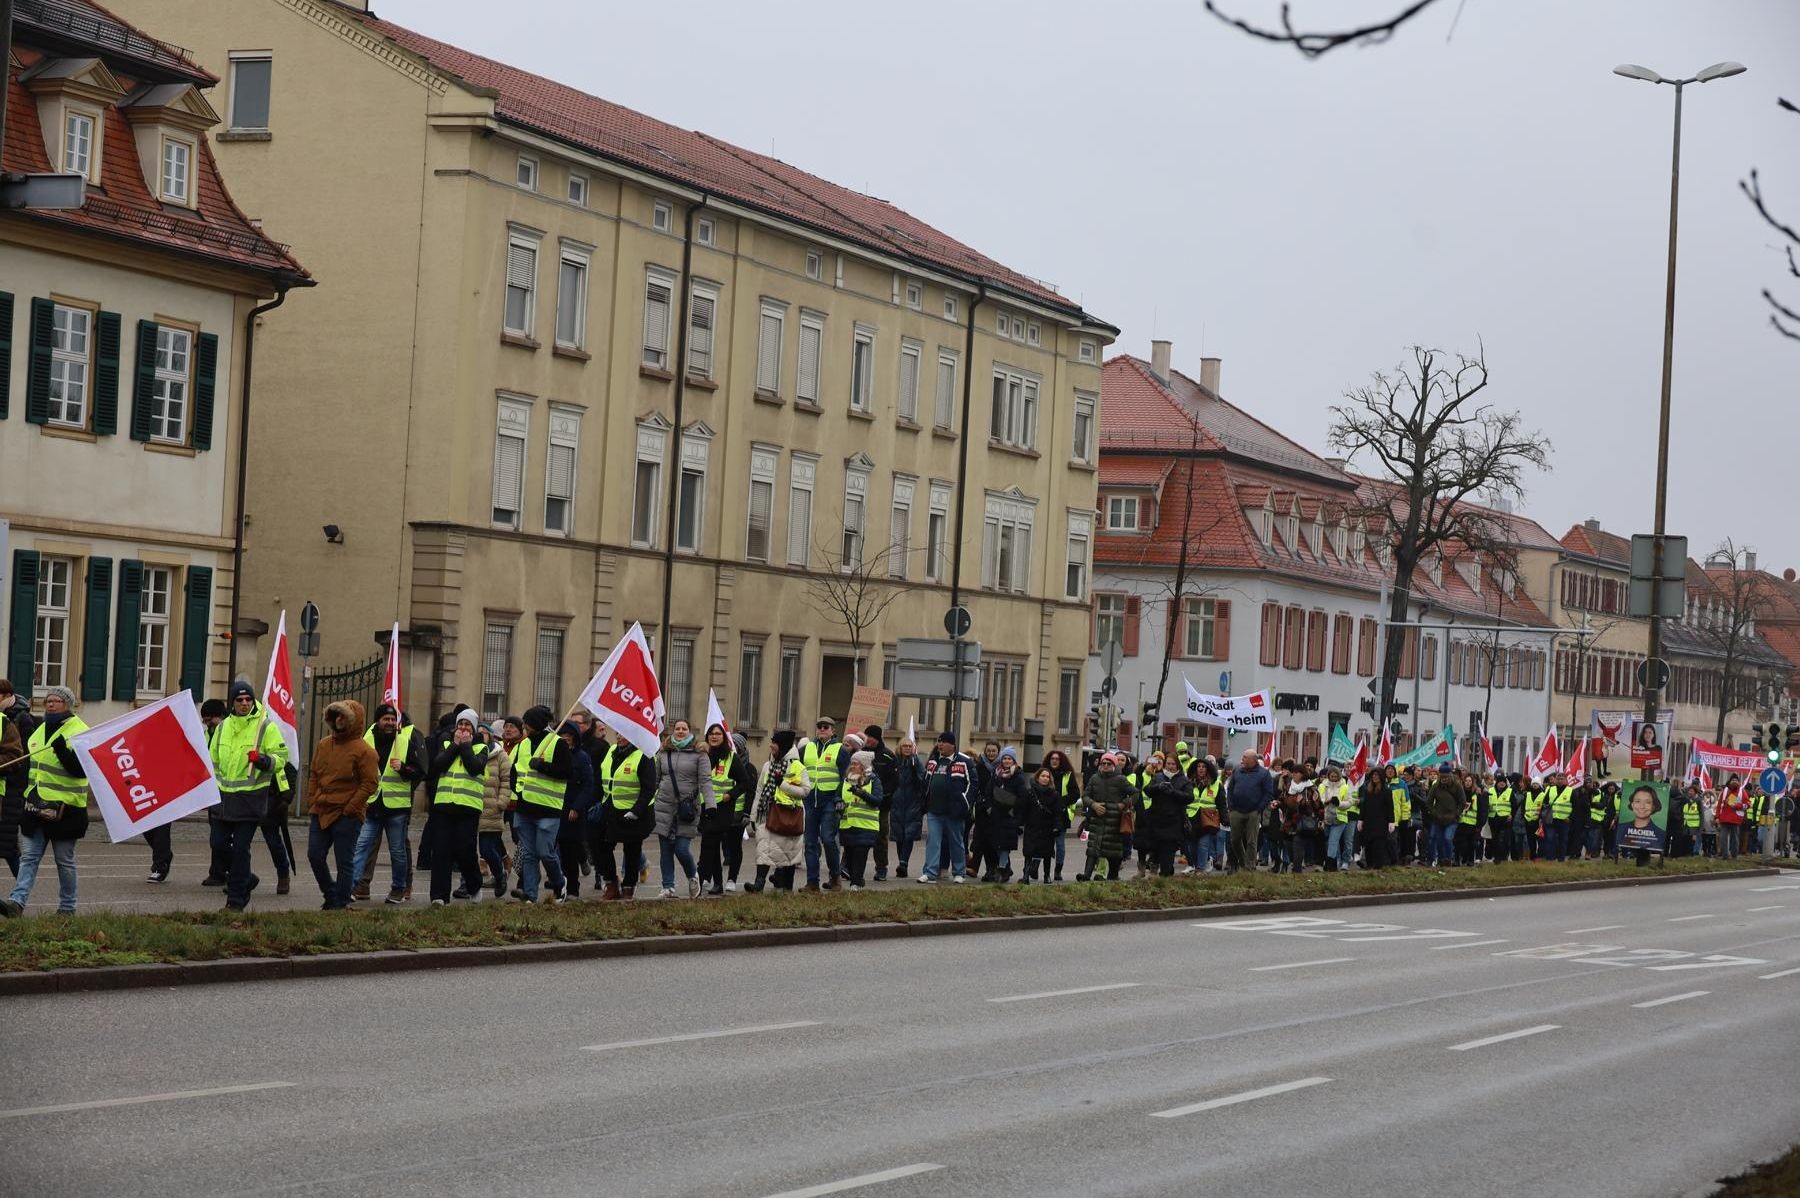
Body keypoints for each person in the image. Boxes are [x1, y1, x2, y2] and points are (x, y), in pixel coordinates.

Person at [0, 685, 89, 917]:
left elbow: (81, 770)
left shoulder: (80, 730)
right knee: (28, 857)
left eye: (57, 700)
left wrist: (63, 752)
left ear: (68, 705)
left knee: (64, 861)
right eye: (48, 700)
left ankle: (67, 908)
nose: (51, 704)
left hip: (66, 809)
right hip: (35, 806)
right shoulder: (39, 729)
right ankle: (16, 903)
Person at [207, 678, 291, 911]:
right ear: (232, 703)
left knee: (242, 848)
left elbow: (281, 758)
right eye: (239, 700)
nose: (244, 703)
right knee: (218, 844)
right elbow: (212, 761)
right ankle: (246, 879)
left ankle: (235, 901)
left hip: (251, 800)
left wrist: (263, 760)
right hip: (224, 800)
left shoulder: (265, 726)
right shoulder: (223, 727)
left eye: (247, 699)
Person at [305, 700, 379, 910]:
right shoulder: (324, 744)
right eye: (336, 716)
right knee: (315, 855)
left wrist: (350, 808)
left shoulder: (365, 751)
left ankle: (341, 901)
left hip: (347, 814)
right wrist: (312, 799)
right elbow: (314, 774)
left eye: (343, 716)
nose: (339, 720)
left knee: (344, 861)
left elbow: (370, 783)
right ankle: (331, 894)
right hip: (321, 809)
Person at [351, 702, 423, 904]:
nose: (390, 723)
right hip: (372, 805)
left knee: (398, 851)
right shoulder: (365, 741)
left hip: (396, 807)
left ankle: (398, 889)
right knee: (361, 846)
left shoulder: (404, 741)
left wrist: (403, 769)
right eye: (386, 719)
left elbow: (419, 771)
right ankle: (352, 886)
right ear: (378, 721)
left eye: (393, 719)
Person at [426, 709, 489, 905]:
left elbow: (474, 767)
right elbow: (439, 764)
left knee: (466, 851)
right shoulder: (447, 744)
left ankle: (474, 885)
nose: (462, 728)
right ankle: (439, 896)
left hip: (468, 808)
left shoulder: (481, 748)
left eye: (467, 725)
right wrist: (455, 745)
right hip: (444, 806)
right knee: (441, 851)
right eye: (460, 724)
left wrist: (465, 746)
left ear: (474, 729)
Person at [510, 705, 571, 903]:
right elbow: (514, 772)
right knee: (529, 854)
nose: (524, 727)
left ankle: (559, 882)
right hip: (525, 808)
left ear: (536, 724)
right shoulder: (523, 745)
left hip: (548, 808)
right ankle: (530, 894)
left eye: (527, 723)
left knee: (546, 852)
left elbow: (566, 772)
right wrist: (518, 791)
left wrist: (543, 766)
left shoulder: (557, 744)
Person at [592, 727, 656, 901]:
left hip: (635, 813)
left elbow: (649, 788)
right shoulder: (611, 750)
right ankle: (612, 883)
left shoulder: (644, 755)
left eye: (624, 733)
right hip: (610, 809)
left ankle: (628, 888)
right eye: (618, 733)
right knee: (601, 847)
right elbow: (601, 778)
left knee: (632, 851)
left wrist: (636, 810)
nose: (619, 736)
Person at [654, 718, 712, 899]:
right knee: (665, 849)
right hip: (664, 807)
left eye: (684, 728)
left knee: (681, 848)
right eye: (677, 728)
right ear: (673, 731)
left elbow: (705, 781)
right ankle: (668, 887)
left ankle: (692, 876)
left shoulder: (700, 754)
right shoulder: (663, 753)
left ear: (689, 731)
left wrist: (710, 804)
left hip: (687, 809)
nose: (680, 731)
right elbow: (656, 780)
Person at [747, 730, 808, 893]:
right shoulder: (768, 765)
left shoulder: (798, 767)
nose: (771, 745)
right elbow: (759, 791)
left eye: (774, 742)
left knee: (789, 853)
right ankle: (758, 884)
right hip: (766, 813)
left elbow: (805, 791)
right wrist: (754, 815)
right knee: (763, 848)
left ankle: (787, 887)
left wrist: (783, 785)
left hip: (788, 815)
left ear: (783, 745)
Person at [701, 722, 756, 895]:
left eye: (718, 734)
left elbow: (745, 782)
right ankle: (716, 882)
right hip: (705, 807)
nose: (714, 736)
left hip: (723, 809)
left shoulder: (731, 758)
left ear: (724, 738)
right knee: (711, 845)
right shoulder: (703, 756)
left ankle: (705, 876)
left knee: (711, 843)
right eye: (711, 733)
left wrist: (730, 795)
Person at [798, 716, 849, 892]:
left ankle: (835, 877)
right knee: (810, 842)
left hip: (830, 801)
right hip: (810, 800)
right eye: (819, 726)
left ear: (833, 731)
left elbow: (845, 777)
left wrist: (838, 798)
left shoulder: (840, 750)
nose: (822, 729)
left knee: (828, 839)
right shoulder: (806, 749)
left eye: (826, 727)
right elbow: (799, 771)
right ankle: (812, 882)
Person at [918, 730, 974, 884]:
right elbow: (925, 783)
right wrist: (924, 802)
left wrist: (965, 802)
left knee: (956, 841)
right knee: (933, 841)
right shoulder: (933, 761)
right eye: (939, 741)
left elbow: (972, 784)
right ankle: (929, 872)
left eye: (943, 742)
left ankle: (959, 872)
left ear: (952, 745)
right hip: (934, 810)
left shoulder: (964, 761)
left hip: (954, 811)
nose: (940, 744)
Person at [555, 719, 596, 896]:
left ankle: (573, 889)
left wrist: (577, 808)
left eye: (569, 736)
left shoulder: (582, 758)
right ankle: (559, 886)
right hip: (556, 808)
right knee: (556, 853)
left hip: (573, 812)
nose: (566, 739)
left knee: (570, 852)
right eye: (563, 735)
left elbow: (588, 786)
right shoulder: (556, 756)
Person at [1078, 752, 1133, 881]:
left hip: (1114, 821)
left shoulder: (1121, 779)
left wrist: (1123, 804)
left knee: (1113, 852)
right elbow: (1085, 796)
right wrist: (1093, 805)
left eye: (1109, 763)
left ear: (1114, 765)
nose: (1106, 765)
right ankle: (1086, 875)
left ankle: (1113, 876)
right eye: (1104, 763)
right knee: (1093, 849)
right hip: (1097, 820)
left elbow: (1135, 794)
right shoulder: (1094, 778)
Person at [976, 745, 1024, 882]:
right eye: (1005, 758)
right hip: (996, 816)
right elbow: (988, 792)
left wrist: (1012, 810)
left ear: (1013, 761)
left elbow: (1022, 797)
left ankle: (1002, 869)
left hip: (1009, 818)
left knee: (1004, 846)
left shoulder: (1018, 776)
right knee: (996, 845)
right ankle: (1004, 869)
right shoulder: (996, 775)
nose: (1007, 761)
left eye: (1009, 759)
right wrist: (990, 808)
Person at [476, 722, 513, 896]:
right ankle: (467, 884)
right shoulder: (472, 752)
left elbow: (507, 780)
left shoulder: (500, 755)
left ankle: (499, 876)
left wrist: (501, 802)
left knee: (487, 849)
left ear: (490, 735)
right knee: (467, 849)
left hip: (492, 808)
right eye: (479, 732)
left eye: (485, 732)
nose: (481, 734)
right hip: (473, 806)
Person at [1140, 752, 1191, 878]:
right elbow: (1147, 791)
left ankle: (1166, 874)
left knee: (1168, 854)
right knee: (1156, 851)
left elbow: (1189, 797)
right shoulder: (1158, 777)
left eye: (1173, 764)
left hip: (1173, 823)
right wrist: (1158, 787)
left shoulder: (1183, 780)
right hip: (1157, 821)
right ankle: (1156, 870)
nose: (1170, 766)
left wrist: (1173, 792)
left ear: (1177, 765)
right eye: (1168, 763)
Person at [1225, 750, 1275, 873]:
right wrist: (1230, 806)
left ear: (1253, 760)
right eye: (1243, 757)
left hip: (1253, 811)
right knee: (1235, 839)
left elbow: (1268, 793)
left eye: (1245, 757)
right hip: (1236, 810)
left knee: (1251, 840)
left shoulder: (1263, 774)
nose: (1242, 759)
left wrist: (1259, 808)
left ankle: (1250, 866)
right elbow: (1230, 789)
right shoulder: (1237, 771)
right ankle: (1242, 861)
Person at [838, 751, 882, 890]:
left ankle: (855, 883)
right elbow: (837, 795)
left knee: (860, 855)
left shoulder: (874, 780)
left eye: (856, 764)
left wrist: (861, 793)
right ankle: (857, 879)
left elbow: (877, 800)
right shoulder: (846, 780)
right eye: (852, 763)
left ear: (863, 766)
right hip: (847, 825)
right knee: (849, 858)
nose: (852, 766)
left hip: (866, 826)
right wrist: (837, 802)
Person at [862, 725, 899, 882]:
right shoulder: (861, 754)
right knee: (858, 835)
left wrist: (883, 795)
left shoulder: (888, 756)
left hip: (881, 805)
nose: (868, 739)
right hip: (862, 802)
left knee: (880, 836)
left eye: (871, 736)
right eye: (867, 736)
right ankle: (848, 866)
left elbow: (894, 781)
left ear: (877, 738)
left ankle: (881, 868)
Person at [0, 683, 28, 879]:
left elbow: (21, 757)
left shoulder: (19, 719)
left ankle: (21, 892)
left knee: (8, 846)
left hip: (11, 789)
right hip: (7, 786)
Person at [888, 734, 926, 877]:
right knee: (899, 835)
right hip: (897, 802)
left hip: (912, 802)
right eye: (905, 746)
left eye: (910, 746)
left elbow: (922, 779)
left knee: (909, 834)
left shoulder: (916, 762)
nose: (907, 748)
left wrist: (915, 769)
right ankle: (902, 862)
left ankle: (903, 863)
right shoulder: (895, 762)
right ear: (900, 747)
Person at [1044, 749, 1082, 881]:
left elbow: (1076, 793)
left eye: (1057, 759)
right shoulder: (1044, 774)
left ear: (1061, 761)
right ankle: (1045, 871)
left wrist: (1061, 801)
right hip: (1046, 813)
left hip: (1061, 814)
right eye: (1052, 759)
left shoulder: (1067, 775)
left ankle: (1058, 870)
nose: (1054, 761)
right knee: (1045, 843)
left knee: (1060, 844)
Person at [1020, 766, 1061, 883]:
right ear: (1038, 777)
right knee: (1029, 851)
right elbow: (1024, 809)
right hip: (1032, 826)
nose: (1045, 778)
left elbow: (1057, 813)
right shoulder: (1030, 792)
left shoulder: (1054, 794)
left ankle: (1046, 875)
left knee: (1047, 853)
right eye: (1043, 776)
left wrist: (1057, 826)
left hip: (1047, 828)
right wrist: (1019, 824)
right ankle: (1026, 875)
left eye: (1047, 777)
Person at [1186, 758, 1226, 874]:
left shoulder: (1216, 784)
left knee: (1203, 845)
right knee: (1191, 846)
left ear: (1208, 769)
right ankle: (1200, 863)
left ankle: (1200, 869)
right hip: (1191, 817)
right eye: (1199, 767)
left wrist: (1224, 818)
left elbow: (1221, 803)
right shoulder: (1189, 782)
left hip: (1208, 819)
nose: (1201, 769)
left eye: (1203, 767)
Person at [1358, 764, 1396, 870]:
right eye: (1373, 775)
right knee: (1368, 846)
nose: (1375, 777)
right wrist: (1360, 820)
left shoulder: (1386, 791)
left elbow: (1390, 807)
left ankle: (1378, 867)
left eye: (1377, 775)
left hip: (1381, 824)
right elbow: (1364, 806)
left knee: (1378, 847)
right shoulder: (1368, 790)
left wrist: (1391, 821)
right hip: (1369, 823)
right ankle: (1369, 865)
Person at [1427, 763, 1464, 867]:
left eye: (1446, 776)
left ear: (1450, 775)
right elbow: (1429, 802)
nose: (1444, 779)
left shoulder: (1457, 786)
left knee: (1447, 838)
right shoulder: (1436, 786)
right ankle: (1441, 860)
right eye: (1442, 776)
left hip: (1452, 819)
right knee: (1438, 840)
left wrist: (1456, 814)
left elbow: (1462, 802)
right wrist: (1434, 813)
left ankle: (1448, 859)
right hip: (1438, 819)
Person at [1320, 764, 1355, 872]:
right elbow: (1319, 799)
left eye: (1336, 776)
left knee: (1333, 841)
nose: (1334, 778)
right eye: (1332, 776)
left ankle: (1331, 864)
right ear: (1328, 776)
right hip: (1326, 817)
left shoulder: (1345, 787)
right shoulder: (1323, 786)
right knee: (1327, 842)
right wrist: (1326, 801)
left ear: (1339, 776)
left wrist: (1339, 803)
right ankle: (1333, 863)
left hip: (1339, 818)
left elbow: (1350, 802)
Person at [1616, 784, 1664, 853]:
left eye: (1648, 802)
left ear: (1653, 806)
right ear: (1632, 804)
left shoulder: (1660, 834)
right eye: (1638, 801)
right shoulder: (1621, 828)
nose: (1642, 806)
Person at [1487, 774, 1514, 864]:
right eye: (1500, 782)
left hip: (1505, 819)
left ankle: (1502, 857)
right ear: (1497, 782)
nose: (1502, 783)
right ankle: (1496, 857)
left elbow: (1515, 805)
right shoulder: (1490, 790)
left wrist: (1511, 815)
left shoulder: (1510, 791)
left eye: (1503, 782)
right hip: (1493, 818)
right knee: (1494, 839)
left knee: (1502, 839)